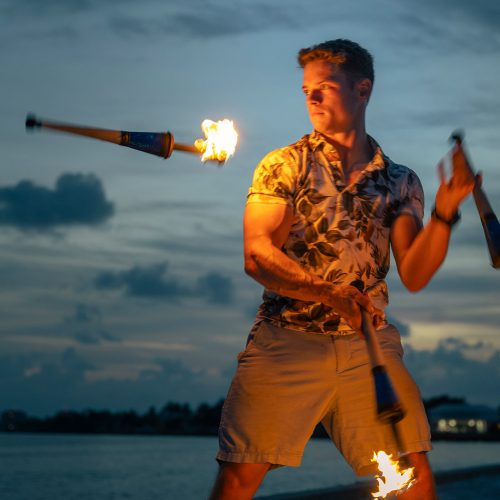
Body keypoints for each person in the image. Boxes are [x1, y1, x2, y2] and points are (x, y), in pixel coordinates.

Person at [209, 39, 475, 500]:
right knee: (239, 480)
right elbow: (257, 255)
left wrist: (446, 211)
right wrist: (329, 293)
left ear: (362, 90)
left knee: (413, 481)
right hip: (287, 341)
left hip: (367, 346)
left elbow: (414, 270)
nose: (311, 98)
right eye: (306, 90)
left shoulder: (400, 181)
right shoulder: (283, 165)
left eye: (324, 88)